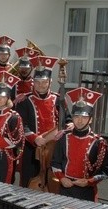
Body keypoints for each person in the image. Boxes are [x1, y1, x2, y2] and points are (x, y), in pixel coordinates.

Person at [48, 87, 108, 209]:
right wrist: (61, 178)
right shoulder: (63, 138)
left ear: (90, 119)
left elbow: (107, 170)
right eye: (76, 116)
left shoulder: (99, 142)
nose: (79, 120)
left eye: (84, 117)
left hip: (86, 190)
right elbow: (55, 163)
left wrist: (90, 181)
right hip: (66, 186)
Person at [14, 56, 70, 187]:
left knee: (53, 181)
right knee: (28, 180)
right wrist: (34, 138)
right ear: (33, 82)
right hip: (31, 147)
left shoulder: (58, 99)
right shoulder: (25, 100)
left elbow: (67, 119)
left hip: (53, 148)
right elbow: (21, 124)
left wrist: (70, 124)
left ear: (50, 82)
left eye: (44, 82)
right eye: (37, 82)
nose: (41, 85)